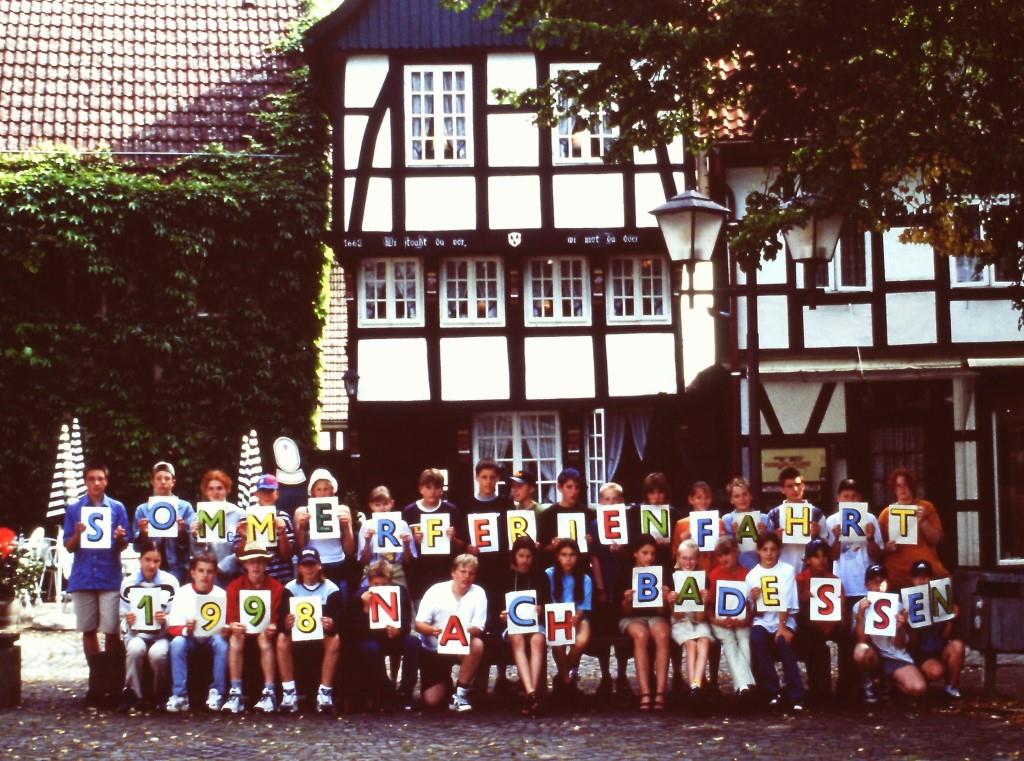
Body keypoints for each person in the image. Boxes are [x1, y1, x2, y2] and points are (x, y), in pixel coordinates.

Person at [64, 461, 130, 706]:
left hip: (109, 575)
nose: (95, 483)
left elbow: (124, 544)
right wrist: (79, 534)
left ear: (106, 481)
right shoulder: (74, 509)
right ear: (86, 481)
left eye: (100, 478)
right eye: (91, 479)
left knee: (112, 631)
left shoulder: (117, 508)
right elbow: (68, 546)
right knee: (88, 630)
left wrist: (120, 538)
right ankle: (97, 682)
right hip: (83, 576)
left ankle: (113, 684)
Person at [824, 477, 882, 701]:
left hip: (865, 586)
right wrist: (837, 538)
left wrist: (869, 538)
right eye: (846, 496)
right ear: (839, 499)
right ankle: (845, 685)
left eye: (855, 496)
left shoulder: (870, 519)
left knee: (866, 636)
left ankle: (868, 683)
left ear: (861, 499)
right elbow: (831, 557)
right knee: (845, 637)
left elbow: (879, 555)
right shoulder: (832, 522)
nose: (850, 499)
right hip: (842, 586)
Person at [414, 554, 488, 712]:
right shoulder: (435, 591)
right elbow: (419, 624)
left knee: (477, 645)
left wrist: (464, 630)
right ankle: (446, 683)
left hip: (460, 647)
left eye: (471, 573)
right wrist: (433, 630)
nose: (466, 576)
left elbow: (478, 628)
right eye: (463, 571)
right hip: (434, 650)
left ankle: (460, 694)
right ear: (453, 572)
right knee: (432, 701)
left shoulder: (479, 593)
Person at [276, 548, 345, 713]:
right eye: (305, 565)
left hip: (321, 635)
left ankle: (325, 694)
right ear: (299, 568)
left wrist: (332, 624)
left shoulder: (332, 589)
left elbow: (341, 623)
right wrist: (286, 623)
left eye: (312, 564)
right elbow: (281, 622)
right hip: (297, 635)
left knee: (334, 639)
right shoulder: (290, 588)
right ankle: (289, 693)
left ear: (320, 566)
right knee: (282, 639)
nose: (309, 569)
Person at [117, 539, 179, 711]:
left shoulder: (170, 582)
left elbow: (176, 614)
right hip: (137, 633)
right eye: (147, 560)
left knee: (158, 654)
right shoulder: (128, 583)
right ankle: (133, 694)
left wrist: (165, 619)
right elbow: (121, 614)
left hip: (161, 635)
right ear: (140, 560)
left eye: (156, 561)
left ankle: (159, 694)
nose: (151, 565)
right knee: (135, 649)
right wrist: (127, 620)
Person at [746, 531, 805, 711]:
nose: (769, 553)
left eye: (773, 549)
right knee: (756, 639)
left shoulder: (787, 570)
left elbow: (786, 600)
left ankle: (796, 694)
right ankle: (773, 691)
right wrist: (753, 599)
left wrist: (782, 627)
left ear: (779, 551)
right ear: (758, 551)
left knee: (783, 641)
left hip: (784, 619)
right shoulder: (752, 575)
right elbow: (753, 611)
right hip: (764, 620)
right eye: (765, 549)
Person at [165, 552, 230, 712]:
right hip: (190, 638)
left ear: (215, 574)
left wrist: (225, 629)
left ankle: (217, 692)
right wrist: (187, 629)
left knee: (221, 643)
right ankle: (180, 694)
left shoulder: (221, 594)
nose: (205, 576)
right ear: (193, 573)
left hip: (212, 637)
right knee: (177, 643)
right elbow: (172, 627)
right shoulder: (182, 593)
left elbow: (228, 624)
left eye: (209, 571)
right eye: (201, 571)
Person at [223, 543, 284, 714]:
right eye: (251, 562)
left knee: (264, 639)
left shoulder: (276, 587)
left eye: (260, 562)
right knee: (236, 638)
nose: (256, 566)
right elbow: (232, 618)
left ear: (266, 564)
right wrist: (234, 625)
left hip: (264, 633)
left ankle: (270, 692)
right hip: (243, 632)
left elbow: (275, 617)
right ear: (245, 565)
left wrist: (273, 626)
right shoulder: (235, 586)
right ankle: (235, 692)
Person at [852, 564, 927, 702]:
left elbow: (900, 645)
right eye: (874, 581)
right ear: (866, 584)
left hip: (894, 655)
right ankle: (870, 682)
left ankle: (891, 683)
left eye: (882, 581)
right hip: (874, 656)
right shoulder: (859, 606)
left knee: (918, 688)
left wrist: (900, 627)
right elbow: (861, 640)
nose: (878, 585)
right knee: (860, 651)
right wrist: (861, 616)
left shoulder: (897, 606)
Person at [493, 536, 549, 715]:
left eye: (528, 556)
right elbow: (496, 607)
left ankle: (530, 693)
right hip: (511, 626)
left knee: (538, 640)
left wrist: (542, 608)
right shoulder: (504, 576)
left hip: (535, 625)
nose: (525, 560)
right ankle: (532, 693)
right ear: (514, 556)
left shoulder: (541, 576)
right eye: (521, 556)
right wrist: (502, 616)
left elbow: (548, 603)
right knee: (517, 639)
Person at [588, 482, 632, 700]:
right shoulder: (595, 525)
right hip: (604, 581)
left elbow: (634, 557)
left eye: (616, 499)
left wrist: (621, 551)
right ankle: (605, 674)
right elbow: (594, 557)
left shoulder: (629, 524)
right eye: (607, 499)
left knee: (622, 631)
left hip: (623, 581)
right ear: (600, 503)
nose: (611, 503)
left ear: (622, 502)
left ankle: (622, 675)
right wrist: (600, 587)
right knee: (604, 631)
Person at [619, 534, 672, 710]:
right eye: (645, 553)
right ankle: (645, 692)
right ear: (635, 553)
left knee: (663, 634)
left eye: (652, 553)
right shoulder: (626, 571)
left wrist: (664, 599)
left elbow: (662, 612)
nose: (649, 557)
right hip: (631, 618)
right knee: (641, 635)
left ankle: (660, 692)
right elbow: (623, 612)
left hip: (655, 617)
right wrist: (627, 600)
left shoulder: (659, 572)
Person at [359, 559, 420, 711]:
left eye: (384, 584)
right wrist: (365, 609)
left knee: (413, 643)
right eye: (376, 584)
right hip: (372, 638)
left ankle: (405, 690)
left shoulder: (401, 592)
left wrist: (399, 630)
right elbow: (355, 629)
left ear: (391, 582)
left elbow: (407, 622)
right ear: (369, 582)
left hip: (394, 636)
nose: (380, 588)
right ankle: (385, 689)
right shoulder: (361, 595)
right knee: (370, 649)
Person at [795, 538, 847, 704]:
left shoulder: (834, 580)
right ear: (808, 560)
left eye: (824, 556)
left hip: (831, 622)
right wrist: (803, 598)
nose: (821, 560)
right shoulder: (800, 579)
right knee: (817, 645)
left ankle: (847, 687)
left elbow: (843, 613)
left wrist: (842, 603)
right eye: (816, 556)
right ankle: (820, 691)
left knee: (849, 639)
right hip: (807, 626)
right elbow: (792, 607)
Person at [403, 468, 467, 601]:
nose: (432, 492)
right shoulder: (409, 511)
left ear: (442, 490)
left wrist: (453, 539)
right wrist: (412, 541)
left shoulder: (452, 510)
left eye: (437, 487)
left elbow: (463, 546)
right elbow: (403, 548)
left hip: (445, 570)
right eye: (428, 487)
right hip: (419, 572)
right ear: (421, 489)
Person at [879, 467, 948, 591]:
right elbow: (878, 550)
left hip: (925, 575)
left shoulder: (926, 507)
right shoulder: (885, 514)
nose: (902, 489)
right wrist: (886, 547)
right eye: (898, 485)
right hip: (896, 577)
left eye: (906, 485)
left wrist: (923, 521)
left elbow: (937, 540)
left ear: (913, 486)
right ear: (893, 489)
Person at [907, 559, 965, 699]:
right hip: (920, 654)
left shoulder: (940, 598)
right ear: (911, 579)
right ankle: (921, 676)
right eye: (917, 576)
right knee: (935, 672)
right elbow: (912, 644)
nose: (921, 580)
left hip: (939, 649)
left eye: (925, 576)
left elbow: (945, 637)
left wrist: (950, 620)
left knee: (958, 645)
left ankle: (952, 686)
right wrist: (910, 625)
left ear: (931, 578)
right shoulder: (908, 601)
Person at [707, 536, 756, 698]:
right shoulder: (714, 575)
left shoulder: (747, 574)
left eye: (727, 554)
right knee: (728, 640)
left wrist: (745, 620)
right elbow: (709, 608)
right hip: (720, 621)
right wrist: (718, 621)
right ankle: (745, 686)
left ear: (736, 552)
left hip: (741, 621)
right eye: (719, 555)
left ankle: (742, 687)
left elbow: (750, 607)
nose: (723, 558)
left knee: (744, 638)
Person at [132, 461, 196, 584]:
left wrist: (182, 531)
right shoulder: (142, 510)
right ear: (153, 482)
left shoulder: (185, 507)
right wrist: (143, 534)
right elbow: (137, 547)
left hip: (178, 568)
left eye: (167, 478)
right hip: (150, 568)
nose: (163, 482)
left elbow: (192, 544)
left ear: (173, 482)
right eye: (159, 478)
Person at [293, 467, 355, 588]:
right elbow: (300, 548)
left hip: (337, 562)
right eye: (319, 489)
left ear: (332, 491)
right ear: (313, 492)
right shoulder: (302, 511)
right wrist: (301, 528)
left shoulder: (342, 510)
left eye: (326, 489)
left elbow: (349, 550)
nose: (322, 493)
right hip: (311, 563)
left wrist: (347, 527)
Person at [546, 538, 593, 697]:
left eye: (572, 555)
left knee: (581, 641)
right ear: (557, 556)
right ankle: (566, 680)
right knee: (558, 643)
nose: (568, 559)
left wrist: (576, 617)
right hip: (555, 618)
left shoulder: (585, 578)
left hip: (578, 616)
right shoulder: (549, 574)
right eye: (564, 555)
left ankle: (562, 675)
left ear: (578, 557)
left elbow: (584, 607)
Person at [668, 539, 714, 698]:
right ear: (678, 559)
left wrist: (704, 602)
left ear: (698, 559)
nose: (688, 562)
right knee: (690, 644)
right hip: (680, 622)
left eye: (692, 558)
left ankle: (697, 684)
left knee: (704, 641)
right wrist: (672, 602)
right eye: (684, 558)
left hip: (697, 620)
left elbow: (701, 619)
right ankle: (692, 685)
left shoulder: (703, 579)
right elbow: (677, 616)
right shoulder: (673, 578)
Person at [235, 474, 295, 585]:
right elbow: (239, 557)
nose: (267, 495)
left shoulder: (284, 517)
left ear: (277, 494)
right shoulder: (246, 518)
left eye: (270, 491)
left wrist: (282, 534)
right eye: (263, 491)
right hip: (253, 581)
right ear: (256, 494)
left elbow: (288, 556)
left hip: (280, 579)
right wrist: (244, 538)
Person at [764, 467, 827, 572]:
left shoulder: (816, 514)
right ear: (782, 489)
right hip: (782, 570)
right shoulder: (774, 515)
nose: (795, 489)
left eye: (798, 485)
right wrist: (775, 538)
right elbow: (766, 549)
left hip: (810, 570)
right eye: (790, 486)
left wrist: (817, 536)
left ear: (803, 486)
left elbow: (826, 548)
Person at [189, 469, 245, 586]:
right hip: (207, 576)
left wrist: (223, 566)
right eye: (211, 488)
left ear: (227, 489)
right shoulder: (197, 517)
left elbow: (244, 547)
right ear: (206, 491)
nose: (215, 492)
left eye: (219, 488)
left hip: (234, 575)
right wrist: (194, 537)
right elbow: (196, 553)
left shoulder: (240, 514)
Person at [358, 485, 416, 589]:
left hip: (396, 569)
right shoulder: (366, 526)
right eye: (377, 504)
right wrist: (367, 542)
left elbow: (408, 561)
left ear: (392, 503)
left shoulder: (402, 525)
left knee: (401, 597)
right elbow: (364, 561)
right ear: (371, 505)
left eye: (385, 504)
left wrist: (407, 545)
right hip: (373, 568)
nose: (382, 508)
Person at [721, 476, 765, 571]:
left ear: (751, 496)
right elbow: (724, 550)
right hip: (736, 569)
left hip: (759, 568)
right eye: (737, 496)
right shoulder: (727, 520)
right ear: (731, 500)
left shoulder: (763, 519)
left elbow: (772, 547)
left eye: (745, 494)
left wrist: (763, 535)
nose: (742, 499)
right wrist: (732, 537)